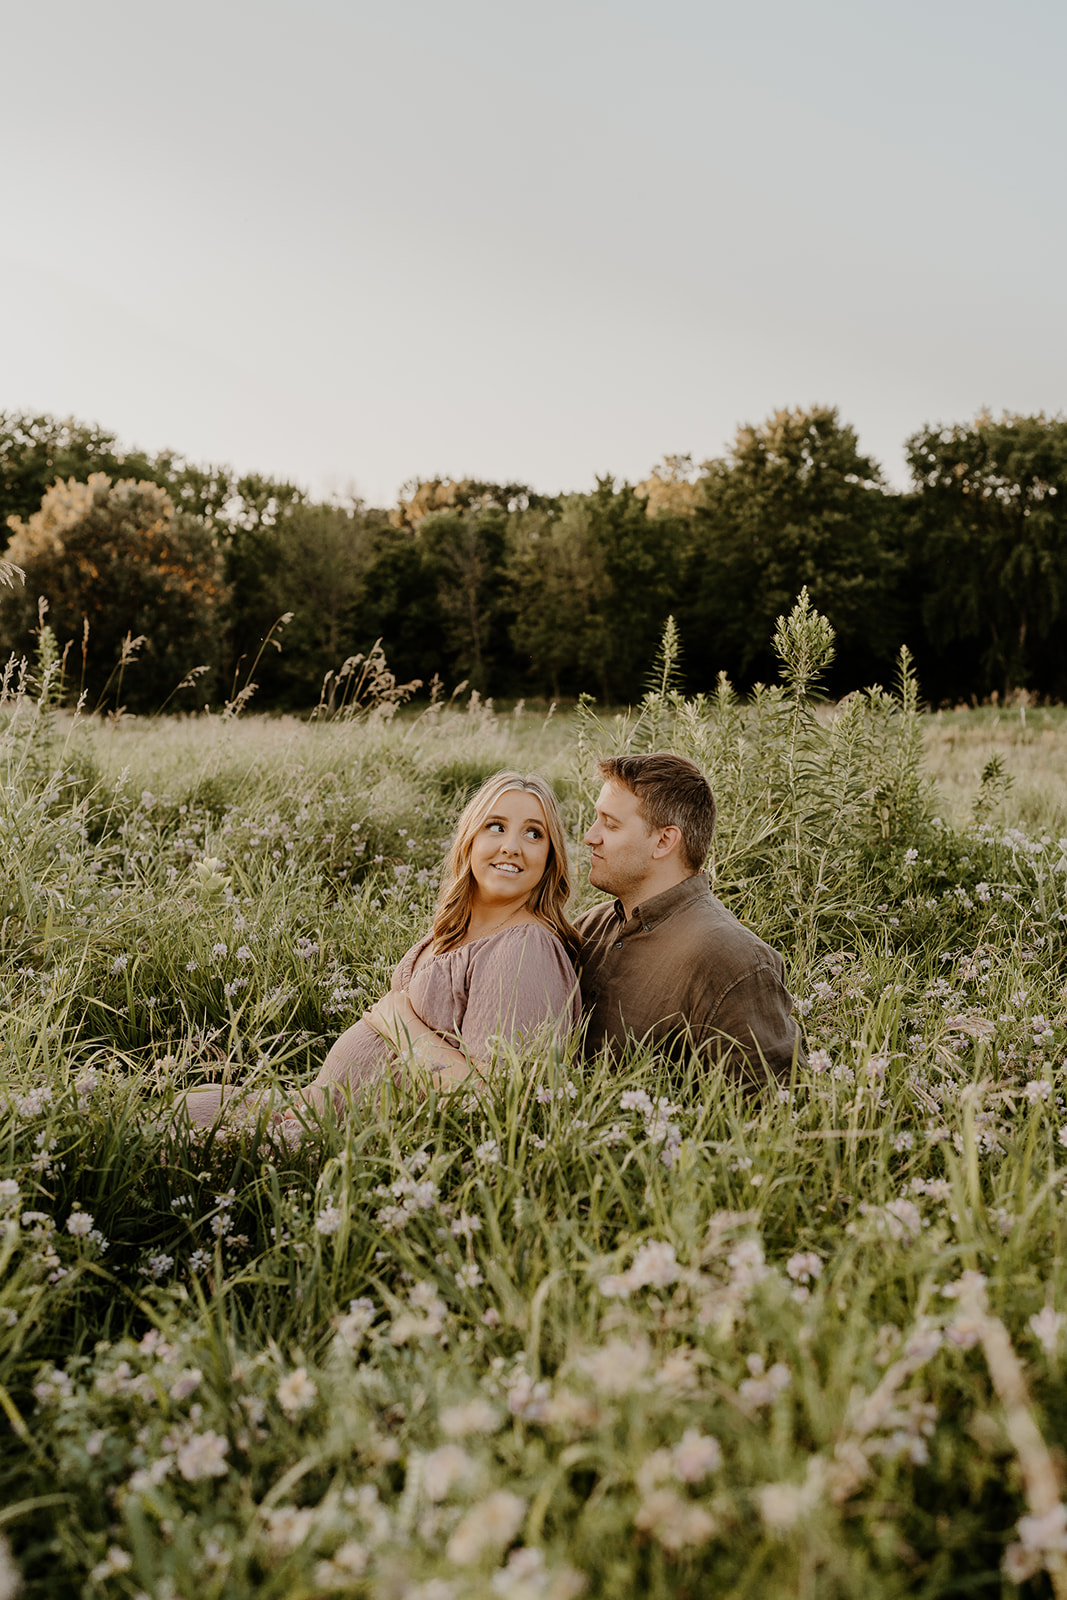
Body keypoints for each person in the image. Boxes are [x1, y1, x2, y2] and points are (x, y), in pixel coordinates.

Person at [178, 771, 580, 1133]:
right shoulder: (461, 928)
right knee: (184, 1108)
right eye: (496, 826)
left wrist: (400, 1022)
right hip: (311, 1110)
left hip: (359, 1144)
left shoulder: (524, 949)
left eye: (533, 834)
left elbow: (493, 1102)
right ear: (470, 838)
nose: (512, 846)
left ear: (549, 858)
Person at [576, 752, 803, 1086]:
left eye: (610, 824)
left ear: (664, 841)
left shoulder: (731, 959)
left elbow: (777, 1111)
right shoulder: (590, 927)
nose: (590, 836)